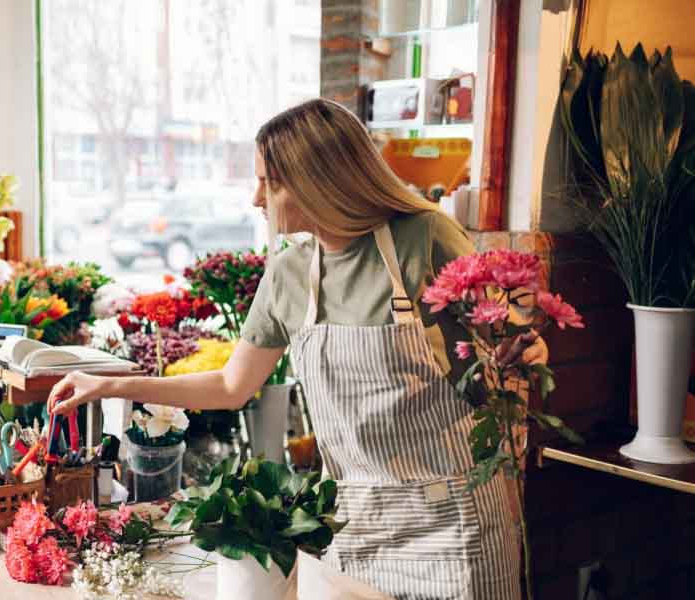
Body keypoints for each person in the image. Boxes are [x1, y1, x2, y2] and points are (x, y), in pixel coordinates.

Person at [49, 98, 537, 598]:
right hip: (356, 528)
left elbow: (494, 364)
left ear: (317, 180)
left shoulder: (425, 237)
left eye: (269, 181)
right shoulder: (289, 273)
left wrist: (517, 358)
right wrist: (108, 383)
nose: (256, 198)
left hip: (455, 528)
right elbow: (230, 386)